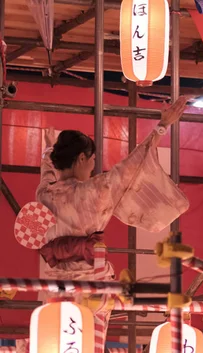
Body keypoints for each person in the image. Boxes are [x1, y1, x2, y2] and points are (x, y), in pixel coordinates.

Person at [29, 96, 191, 352]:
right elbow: (133, 164)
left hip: (54, 287)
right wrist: (162, 125)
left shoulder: (43, 194)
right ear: (82, 158)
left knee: (54, 344)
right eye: (92, 161)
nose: (94, 168)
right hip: (91, 289)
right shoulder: (95, 191)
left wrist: (49, 149)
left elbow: (46, 173)